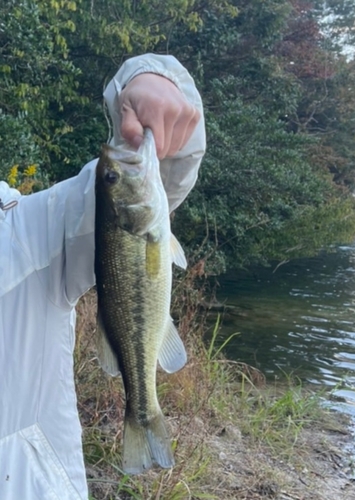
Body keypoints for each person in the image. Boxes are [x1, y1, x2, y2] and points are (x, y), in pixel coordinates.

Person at [0, 54, 205, 500]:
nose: (112, 169)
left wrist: (153, 83)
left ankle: (143, 411)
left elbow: (164, 174)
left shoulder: (24, 232)